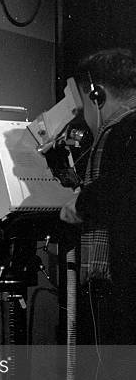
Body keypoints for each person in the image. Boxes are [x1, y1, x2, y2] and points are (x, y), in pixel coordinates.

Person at [60, 48, 136, 347]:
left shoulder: (124, 130)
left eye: (82, 109)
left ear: (97, 95)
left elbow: (119, 188)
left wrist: (80, 204)